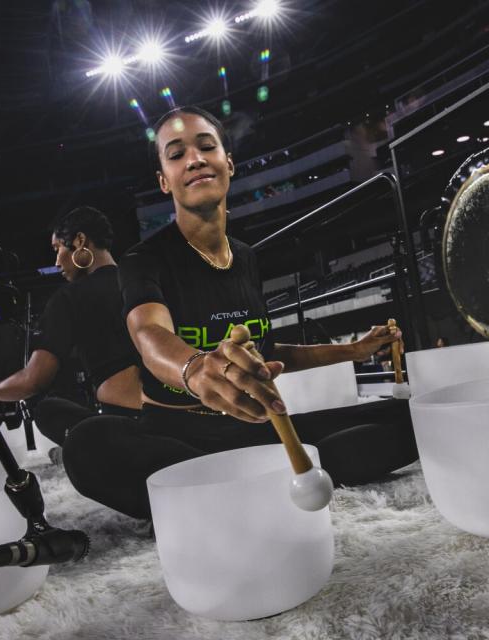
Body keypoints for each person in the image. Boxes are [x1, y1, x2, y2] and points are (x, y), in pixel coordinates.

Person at [62, 107, 417, 519]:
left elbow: (265, 354)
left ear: (227, 163)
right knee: (87, 445)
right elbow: (149, 335)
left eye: (206, 147)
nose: (194, 159)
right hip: (179, 437)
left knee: (408, 418)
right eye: (176, 155)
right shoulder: (144, 259)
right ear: (164, 181)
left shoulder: (246, 258)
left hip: (254, 428)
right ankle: (271, 479)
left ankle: (236, 488)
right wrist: (195, 368)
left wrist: (352, 351)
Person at [0, 207, 142, 448]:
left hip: (126, 425)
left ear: (79, 241)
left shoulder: (69, 298)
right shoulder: (142, 280)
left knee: (48, 410)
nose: (56, 262)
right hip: (171, 414)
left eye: (58, 249)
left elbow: (32, 382)